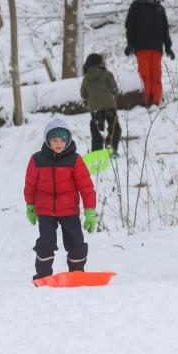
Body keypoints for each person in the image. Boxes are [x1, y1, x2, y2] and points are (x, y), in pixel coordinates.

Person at [24, 119, 98, 280]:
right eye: (54, 140)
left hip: (69, 209)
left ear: (68, 140)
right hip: (45, 210)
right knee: (46, 243)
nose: (58, 144)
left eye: (62, 140)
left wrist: (90, 211)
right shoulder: (37, 160)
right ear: (47, 140)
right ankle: (43, 276)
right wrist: (30, 205)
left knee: (76, 244)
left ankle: (77, 274)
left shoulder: (75, 160)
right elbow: (30, 184)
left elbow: (86, 187)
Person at [124, 0, 174, 107]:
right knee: (145, 74)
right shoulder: (136, 5)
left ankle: (156, 101)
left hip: (156, 48)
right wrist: (130, 44)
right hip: (141, 47)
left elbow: (165, 29)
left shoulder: (159, 9)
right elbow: (129, 26)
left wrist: (168, 47)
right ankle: (145, 100)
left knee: (156, 75)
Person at [80, 53, 123, 155]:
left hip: (95, 108)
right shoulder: (107, 74)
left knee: (97, 130)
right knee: (114, 128)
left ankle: (96, 152)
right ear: (99, 63)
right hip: (109, 106)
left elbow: (83, 94)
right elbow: (115, 90)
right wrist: (114, 94)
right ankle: (111, 148)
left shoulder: (86, 78)